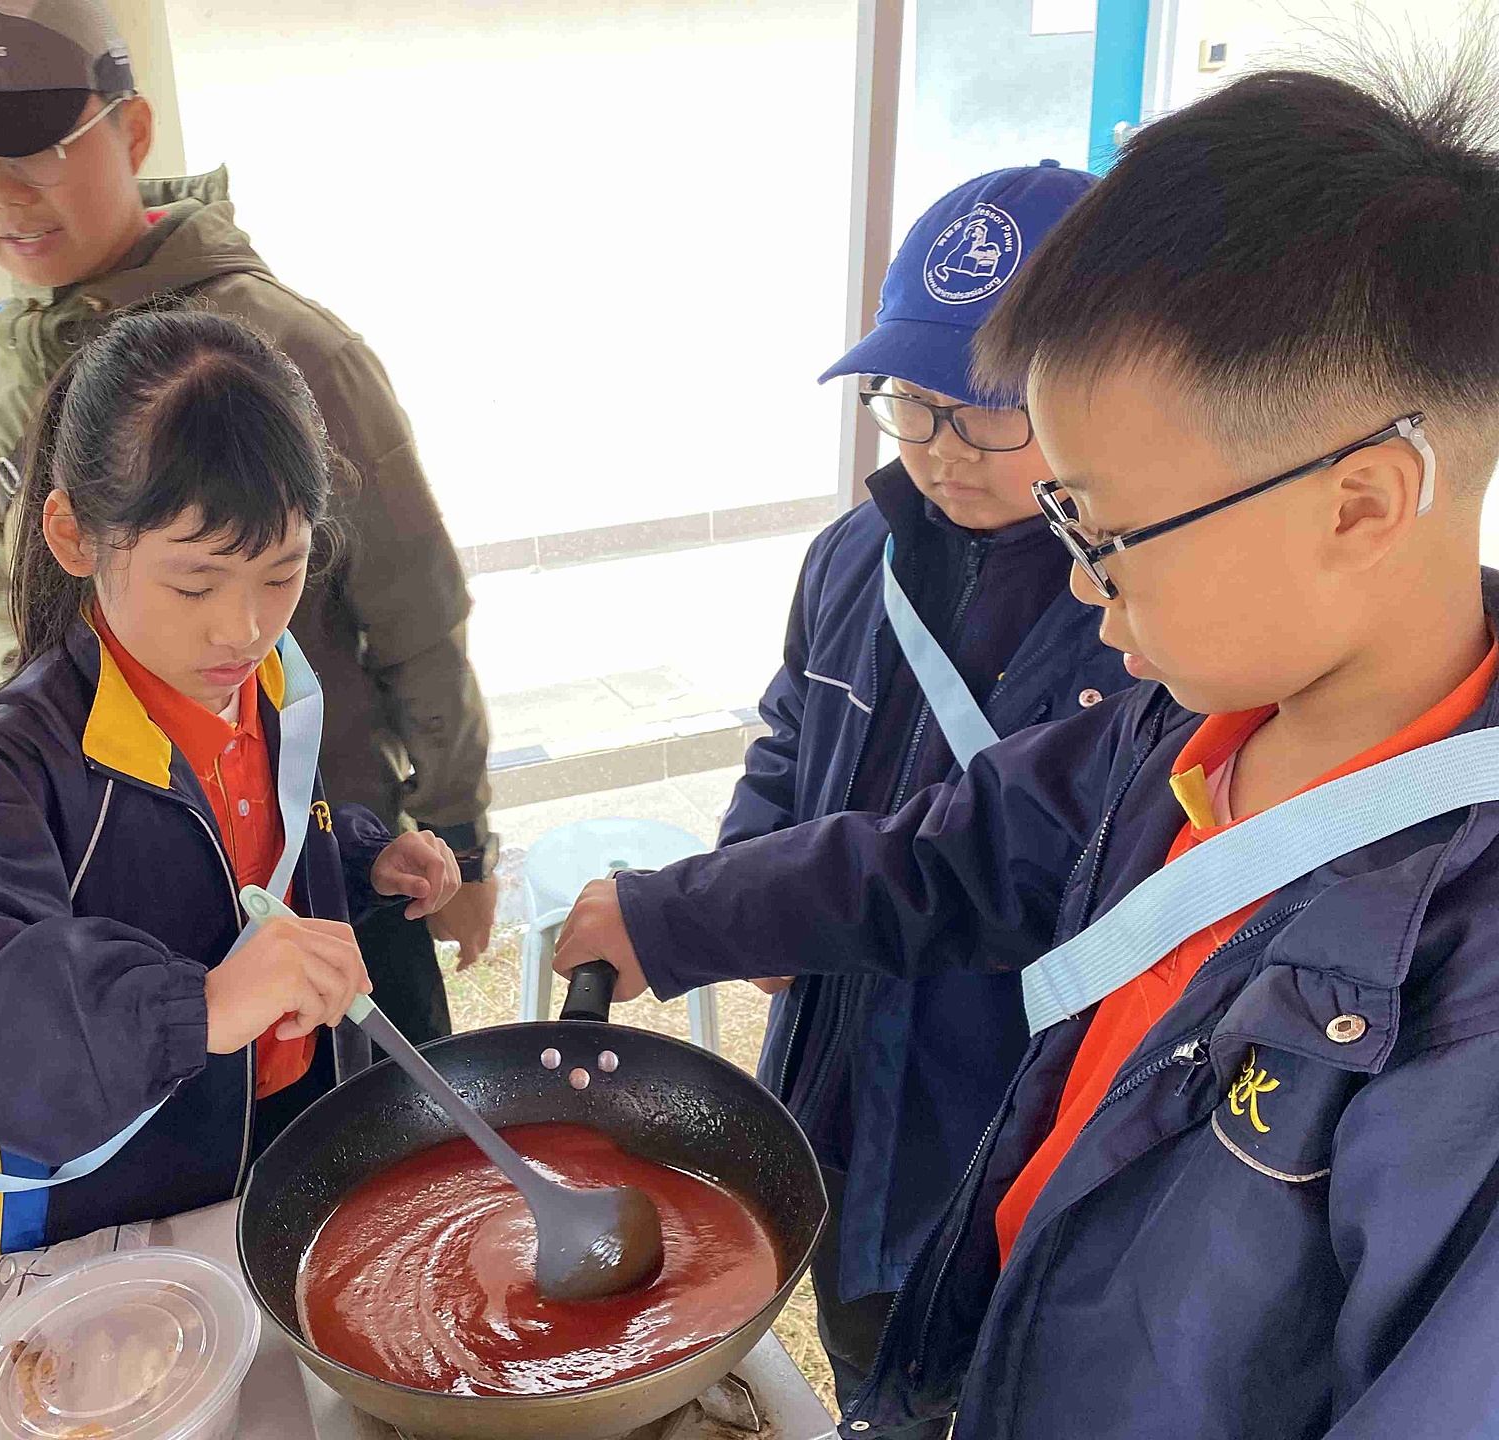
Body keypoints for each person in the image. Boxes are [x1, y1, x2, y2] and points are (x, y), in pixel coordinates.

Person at [555, 51, 1499, 1440]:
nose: (1079, 584)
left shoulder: (1468, 1000)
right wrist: (672, 913)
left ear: (1360, 504)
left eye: (1107, 533)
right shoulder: (1186, 729)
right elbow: (950, 852)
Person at [0, 307, 461, 1272]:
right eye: (194, 585)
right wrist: (192, 1008)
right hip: (103, 1231)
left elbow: (252, 837)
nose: (243, 628)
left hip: (276, 1148)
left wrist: (359, 856)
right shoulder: (20, 762)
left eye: (282, 574)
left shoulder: (274, 682)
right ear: (74, 535)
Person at [0, 0, 497, 1044]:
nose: (1, 196)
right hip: (117, 878)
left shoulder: (287, 351)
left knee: (373, 1120)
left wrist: (458, 835)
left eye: (35, 150)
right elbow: (11, 624)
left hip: (317, 859)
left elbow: (419, 614)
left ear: (130, 130)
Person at [725, 163, 1130, 1430]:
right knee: (863, 1342)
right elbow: (790, 733)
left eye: (989, 411)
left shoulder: (1140, 617)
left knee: (994, 1369)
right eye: (911, 401)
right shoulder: (852, 556)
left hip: (1004, 1111)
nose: (943, 449)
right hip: (840, 1081)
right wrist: (749, 865)